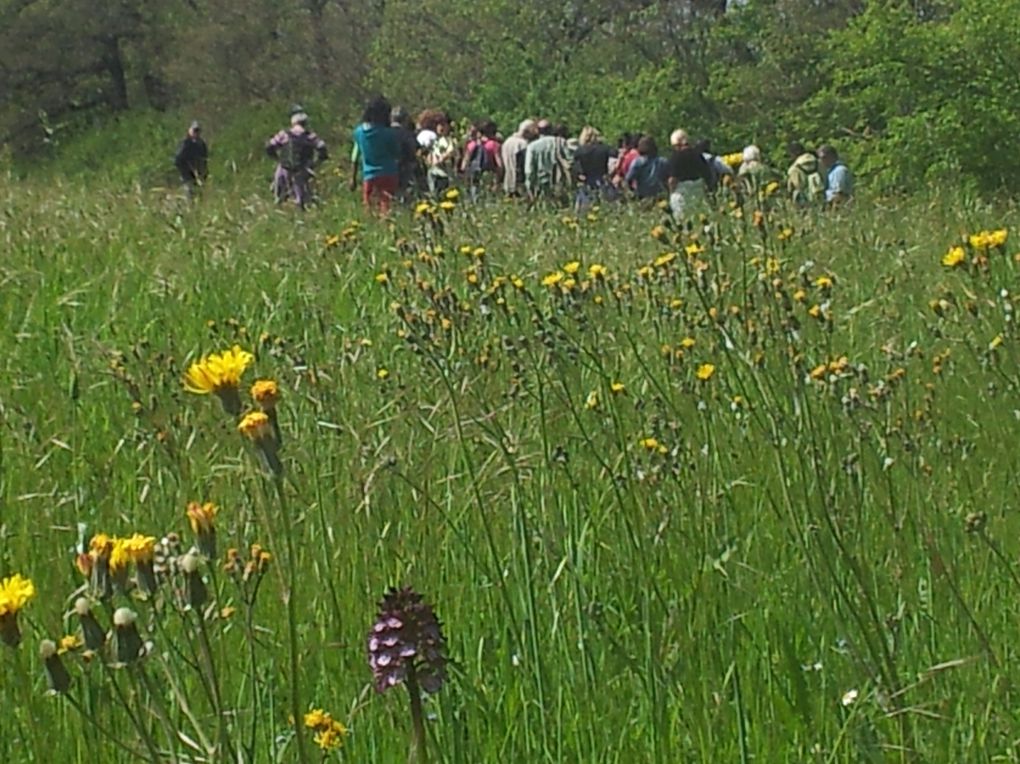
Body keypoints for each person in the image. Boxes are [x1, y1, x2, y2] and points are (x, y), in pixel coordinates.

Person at [350, 95, 402, 215]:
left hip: (369, 175)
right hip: (389, 173)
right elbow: (396, 153)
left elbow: (355, 155)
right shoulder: (388, 133)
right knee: (387, 207)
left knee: (370, 209)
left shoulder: (359, 132)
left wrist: (352, 178)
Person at [266, 110, 328, 209]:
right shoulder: (310, 136)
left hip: (284, 167)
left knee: (279, 194)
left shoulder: (284, 134)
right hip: (302, 168)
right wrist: (315, 163)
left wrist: (277, 159)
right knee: (301, 197)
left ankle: (278, 208)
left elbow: (269, 146)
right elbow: (322, 148)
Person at [667, 129, 713, 219]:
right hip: (698, 190)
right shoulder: (698, 154)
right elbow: (707, 173)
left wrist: (671, 192)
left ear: (676, 144)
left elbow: (672, 179)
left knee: (683, 219)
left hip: (682, 192)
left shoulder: (676, 157)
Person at [525, 120, 568, 199]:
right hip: (559, 182)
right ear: (551, 129)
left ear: (538, 131)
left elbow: (529, 170)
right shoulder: (561, 142)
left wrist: (529, 187)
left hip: (540, 184)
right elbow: (569, 161)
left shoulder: (532, 146)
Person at [572, 126, 614, 208]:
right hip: (602, 179)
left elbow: (575, 169)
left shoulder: (579, 151)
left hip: (587, 180)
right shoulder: (605, 149)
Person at [461, 119, 502, 200]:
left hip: (474, 175)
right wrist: (498, 181)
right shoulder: (494, 144)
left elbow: (463, 165)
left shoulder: (471, 144)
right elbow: (499, 165)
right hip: (489, 175)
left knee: (474, 197)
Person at [625, 135, 670, 201]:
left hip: (643, 196)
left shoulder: (637, 162)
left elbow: (628, 179)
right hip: (660, 195)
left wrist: (632, 190)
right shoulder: (663, 161)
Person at [390, 106, 421, 201]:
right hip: (404, 170)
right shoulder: (407, 134)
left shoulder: (384, 133)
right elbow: (414, 150)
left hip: (385, 169)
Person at [501, 119, 537, 197]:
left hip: (507, 180)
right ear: (527, 132)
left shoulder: (507, 141)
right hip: (519, 182)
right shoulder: (522, 144)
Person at [174, 120, 208, 201]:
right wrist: (186, 171)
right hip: (187, 176)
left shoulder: (201, 144)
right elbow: (178, 159)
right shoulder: (185, 143)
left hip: (199, 176)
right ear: (190, 130)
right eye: (194, 130)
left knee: (199, 197)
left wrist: (204, 173)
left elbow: (204, 160)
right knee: (189, 196)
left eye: (198, 131)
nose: (196, 133)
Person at [426, 113, 457, 195]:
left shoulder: (451, 140)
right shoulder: (436, 140)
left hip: (445, 174)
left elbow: (452, 151)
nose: (440, 127)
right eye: (438, 125)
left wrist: (442, 158)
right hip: (434, 172)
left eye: (443, 124)